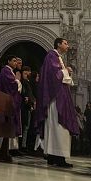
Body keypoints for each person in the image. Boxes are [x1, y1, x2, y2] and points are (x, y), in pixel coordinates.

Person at [35, 38, 79, 168]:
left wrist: (66, 72)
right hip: (56, 98)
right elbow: (53, 76)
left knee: (56, 127)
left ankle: (53, 156)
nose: (68, 45)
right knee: (59, 126)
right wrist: (67, 71)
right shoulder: (52, 55)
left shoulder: (58, 57)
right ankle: (58, 156)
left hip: (60, 96)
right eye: (65, 43)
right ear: (58, 44)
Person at [0, 55, 23, 152]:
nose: (15, 63)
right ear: (8, 61)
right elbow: (12, 84)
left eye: (16, 61)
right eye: (13, 61)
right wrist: (17, 81)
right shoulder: (6, 70)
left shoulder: (10, 71)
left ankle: (9, 148)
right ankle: (3, 148)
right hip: (7, 101)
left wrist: (17, 81)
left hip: (10, 101)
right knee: (7, 122)